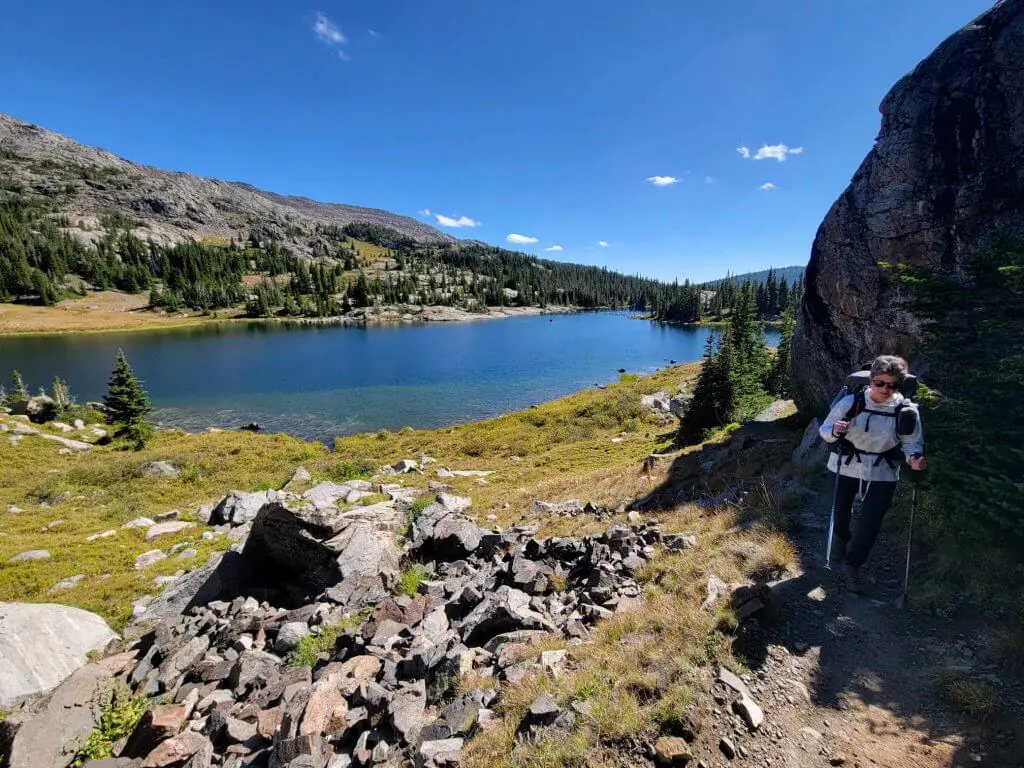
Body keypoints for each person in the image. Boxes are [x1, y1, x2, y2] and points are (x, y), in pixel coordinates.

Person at [819, 355, 926, 593]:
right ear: (871, 380)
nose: (885, 389)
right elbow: (825, 430)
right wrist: (836, 430)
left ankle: (852, 566)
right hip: (845, 464)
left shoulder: (906, 411)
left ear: (899, 385)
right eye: (880, 383)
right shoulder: (851, 402)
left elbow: (912, 442)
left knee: (871, 521)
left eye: (892, 384)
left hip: (883, 469)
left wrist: (914, 458)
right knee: (841, 511)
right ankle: (838, 547)